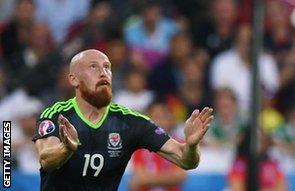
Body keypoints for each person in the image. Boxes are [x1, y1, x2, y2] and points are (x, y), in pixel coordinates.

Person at [32, 49, 214, 191]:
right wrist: (66, 148)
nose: (103, 72)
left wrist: (191, 145)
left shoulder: (130, 122)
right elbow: (46, 160)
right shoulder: (56, 115)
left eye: (107, 67)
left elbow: (186, 160)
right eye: (93, 66)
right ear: (74, 79)